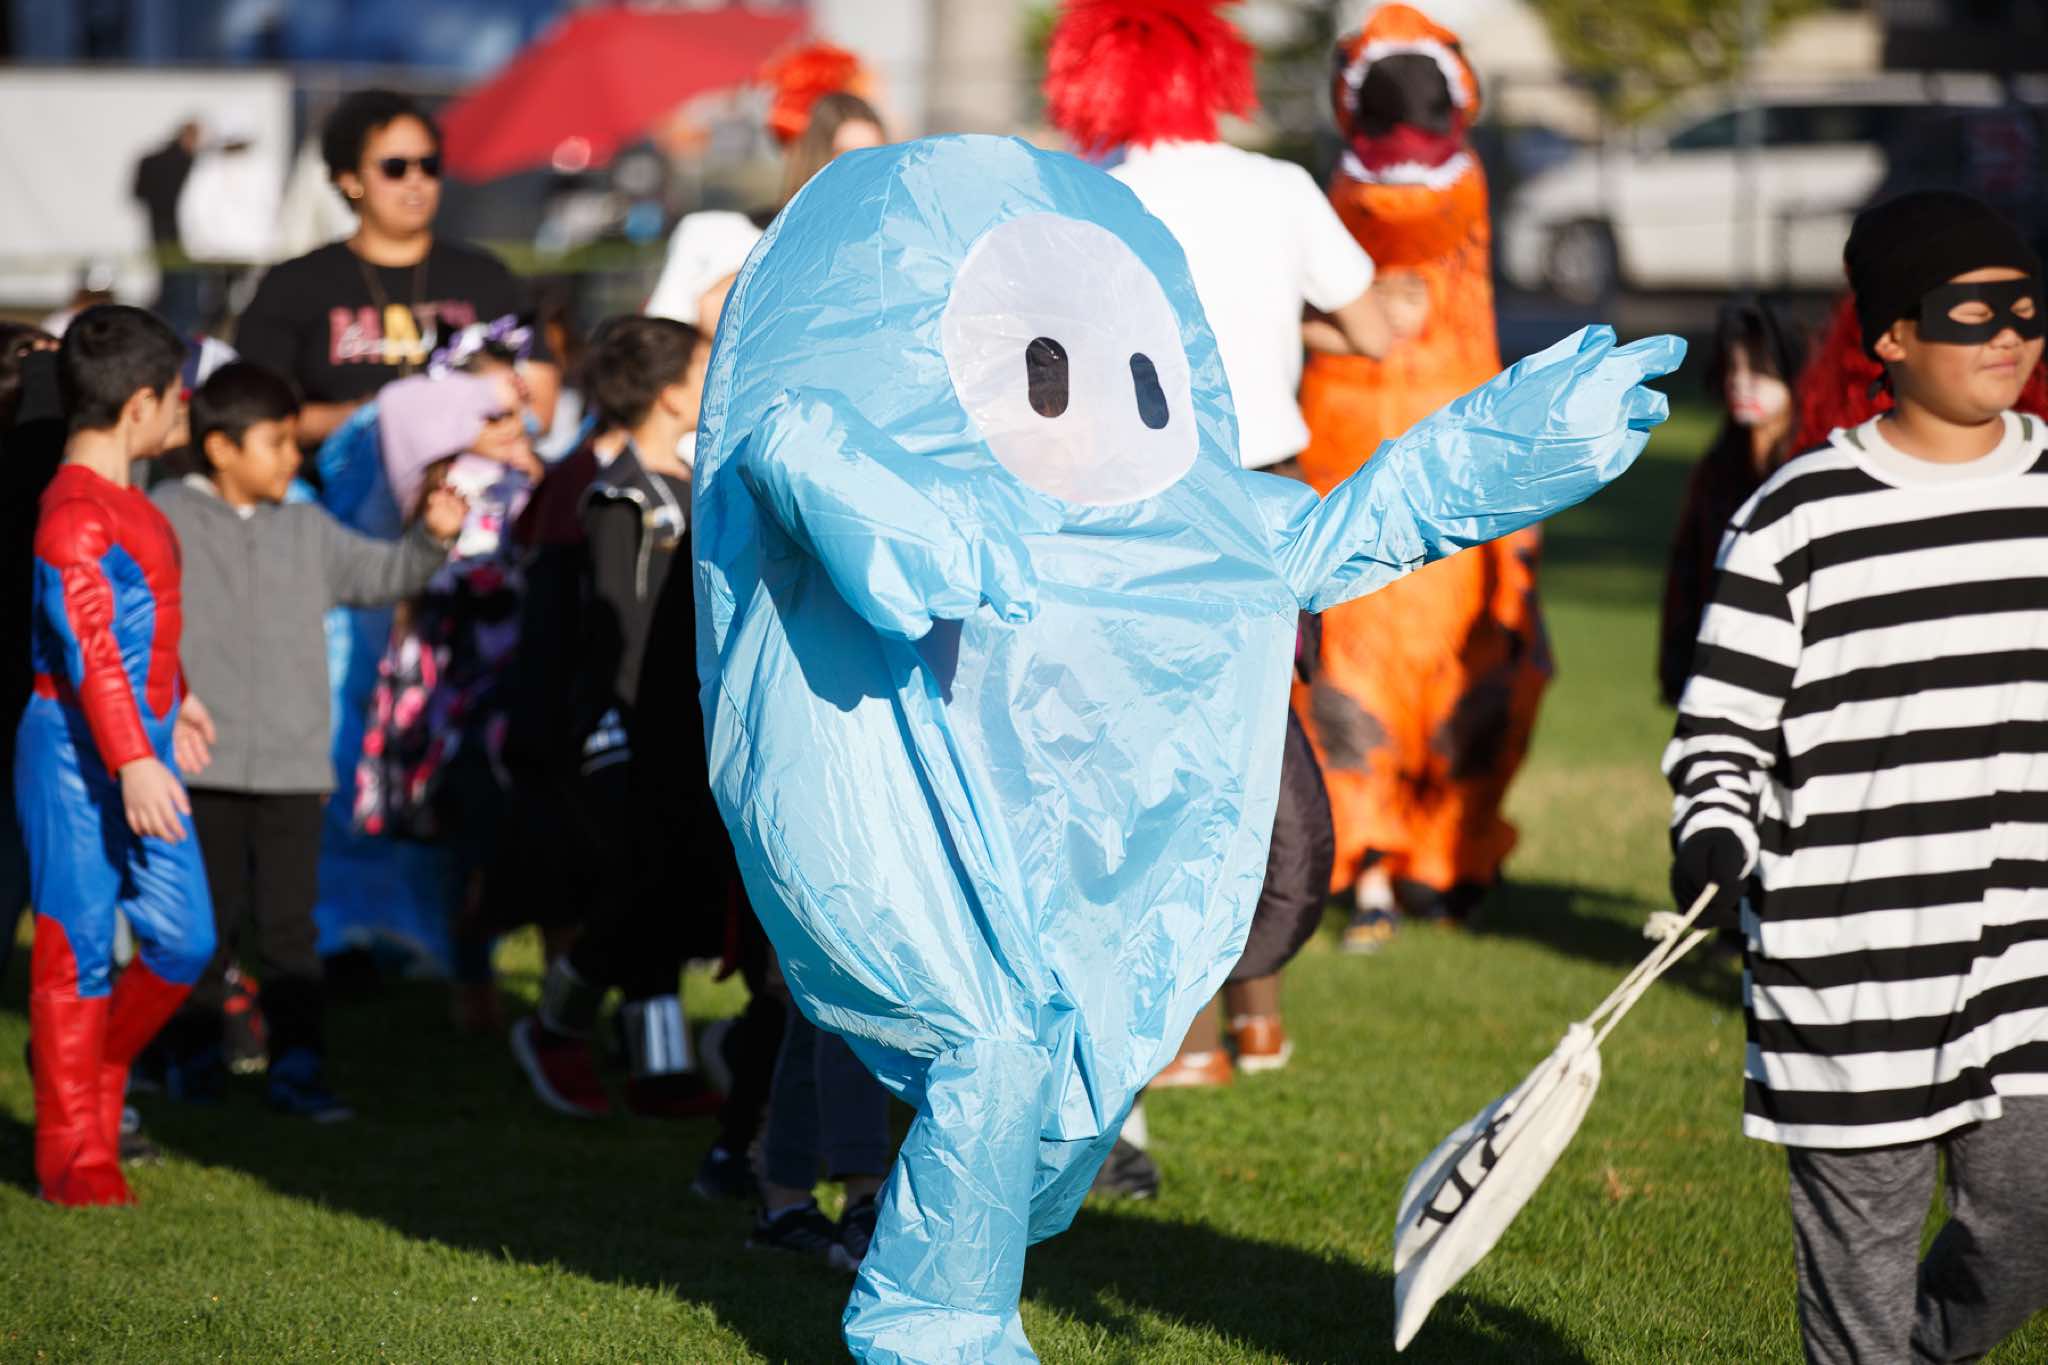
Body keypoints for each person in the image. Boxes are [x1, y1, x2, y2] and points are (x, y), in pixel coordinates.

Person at [1665, 191, 2048, 1364]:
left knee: (2028, 1223)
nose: (2006, 334)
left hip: (2027, 958)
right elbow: (1720, 728)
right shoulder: (1792, 519)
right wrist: (1711, 832)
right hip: (1846, 966)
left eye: (2024, 308)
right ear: (1888, 336)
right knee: (1856, 1288)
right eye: (1969, 311)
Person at [1045, 0, 1387, 1097]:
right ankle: (1259, 1017)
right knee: (1258, 739)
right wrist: (1296, 321)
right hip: (1265, 494)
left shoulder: (1082, 188)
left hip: (1133, 498)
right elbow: (1376, 327)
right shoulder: (1276, 187)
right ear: (1215, 69)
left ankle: (1186, 1032)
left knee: (1154, 762)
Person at [1289, 6, 1552, 951]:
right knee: (1377, 657)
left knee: (1447, 657)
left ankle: (1426, 856)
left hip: (1428, 451)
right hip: (1395, 451)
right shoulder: (1398, 196)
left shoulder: (1390, 196)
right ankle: (1387, 860)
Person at [149, 362, 463, 1120]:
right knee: (203, 926)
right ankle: (193, 1056)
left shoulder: (307, 524)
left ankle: (298, 1065)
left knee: (291, 928)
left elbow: (383, 575)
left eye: (296, 441)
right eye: (278, 442)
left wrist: (431, 537)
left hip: (294, 771)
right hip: (200, 767)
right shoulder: (164, 518)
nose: (295, 457)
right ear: (221, 448)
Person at [17, 305, 217, 1205]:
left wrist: (180, 700)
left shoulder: (130, 504)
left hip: (140, 748)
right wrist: (134, 756)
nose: (183, 409)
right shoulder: (72, 515)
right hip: (72, 754)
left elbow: (141, 631)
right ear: (141, 404)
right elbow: (89, 646)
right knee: (76, 947)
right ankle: (74, 1157)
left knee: (186, 936)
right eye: (177, 395)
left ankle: (89, 1063)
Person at [509, 315, 727, 1120]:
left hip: (681, 728)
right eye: (702, 370)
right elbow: (616, 628)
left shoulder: (695, 486)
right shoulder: (623, 495)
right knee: (635, 890)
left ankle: (659, 1065)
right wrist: (629, 724)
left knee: (664, 892)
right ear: (669, 393)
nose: (713, 380)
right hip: (629, 730)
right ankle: (555, 1025)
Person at [233, 89, 557, 449]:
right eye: (395, 168)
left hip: (472, 474)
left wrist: (467, 429)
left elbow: (540, 407)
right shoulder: (294, 285)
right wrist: (378, 415)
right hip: (334, 479)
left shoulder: (486, 278)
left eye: (429, 166)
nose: (416, 181)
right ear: (350, 180)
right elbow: (252, 414)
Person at [1657, 302, 1804, 707]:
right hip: (1720, 668)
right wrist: (1677, 664)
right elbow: (1686, 570)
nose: (1741, 383)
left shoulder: (1812, 467)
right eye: (1733, 369)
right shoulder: (1715, 471)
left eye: (1757, 370)